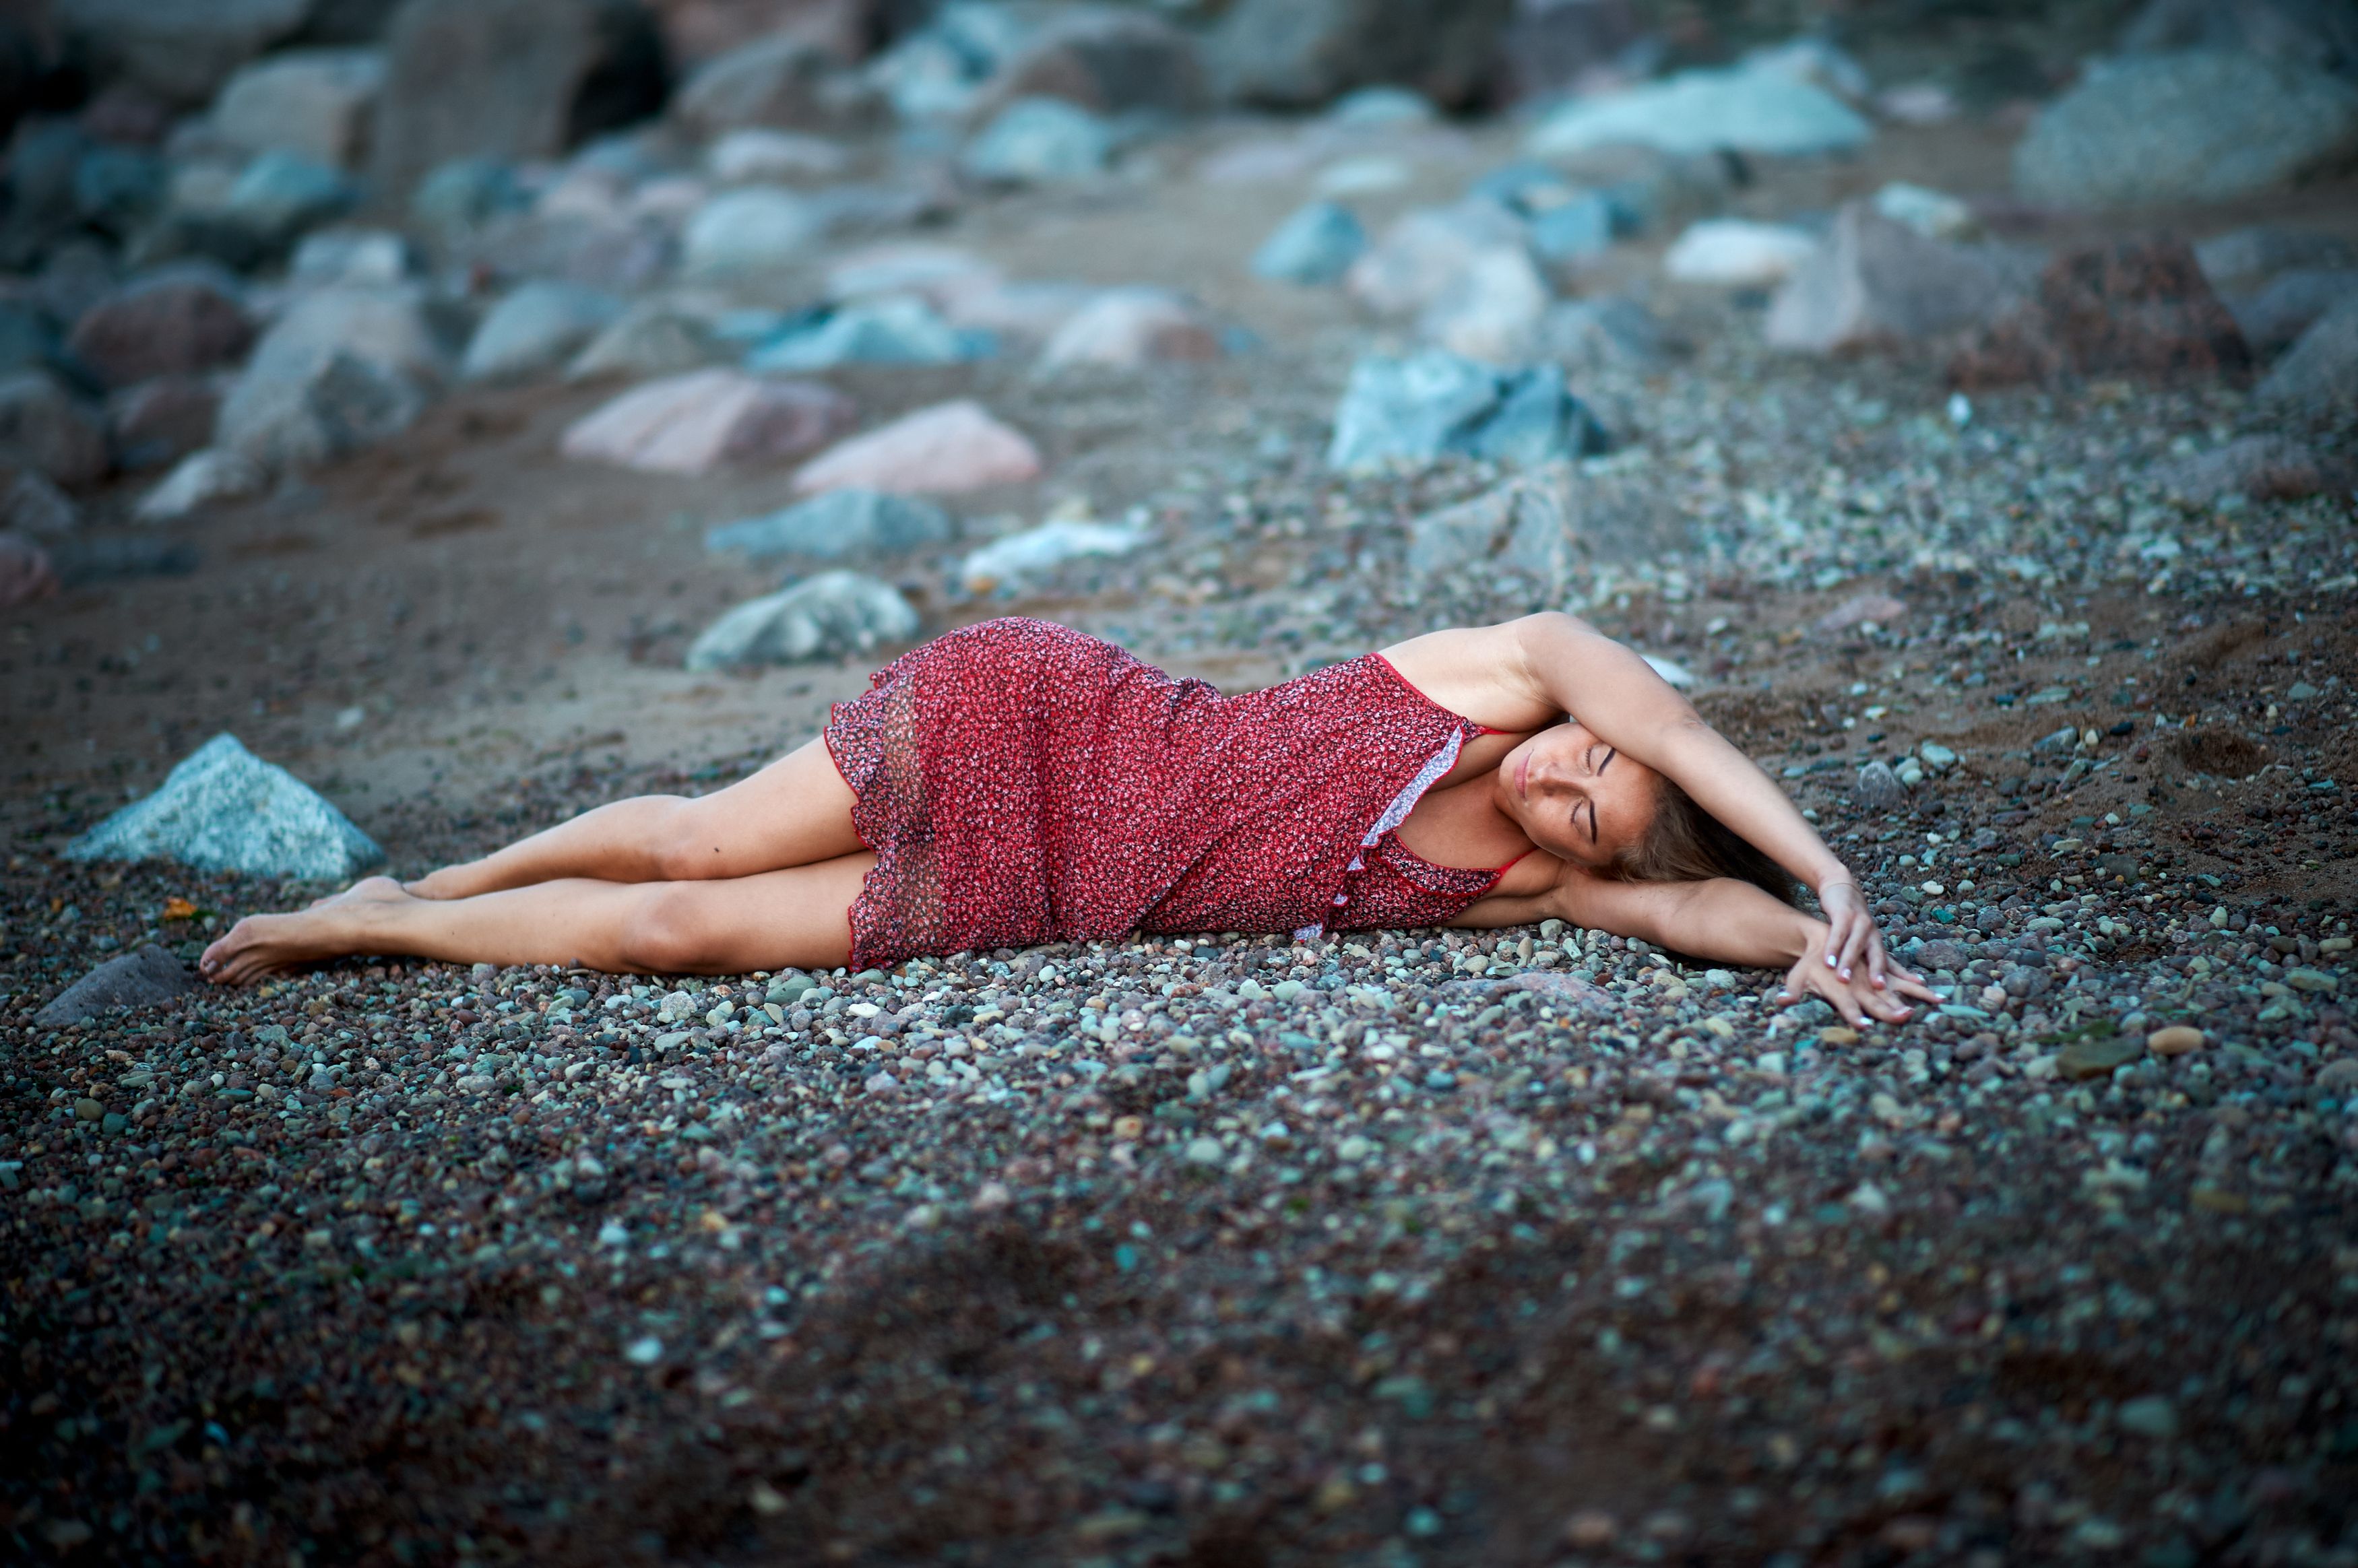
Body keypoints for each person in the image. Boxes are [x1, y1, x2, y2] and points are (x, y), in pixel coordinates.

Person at [200, 614, 1932, 1026]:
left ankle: (391, 927)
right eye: (1594, 765)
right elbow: (1670, 720)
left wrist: (1808, 938)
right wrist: (1826, 853)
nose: (1568, 785)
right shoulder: (1515, 671)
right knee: (694, 846)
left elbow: (1685, 912)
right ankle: (435, 884)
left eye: (1593, 822)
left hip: (1040, 895)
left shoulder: (1522, 890)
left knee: (676, 938)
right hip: (1037, 719)